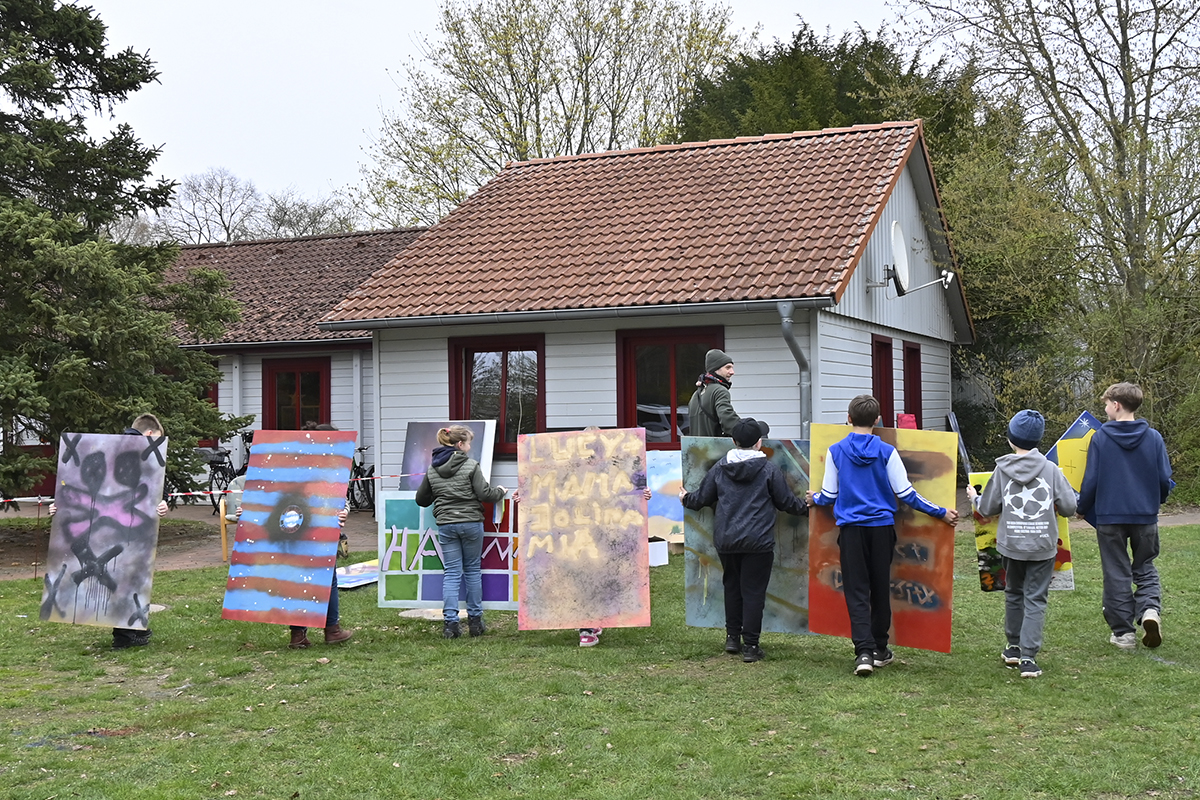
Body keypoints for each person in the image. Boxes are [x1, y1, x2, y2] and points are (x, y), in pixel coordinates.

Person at [806, 395, 960, 677]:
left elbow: (829, 495)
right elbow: (905, 494)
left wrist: (814, 498)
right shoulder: (888, 452)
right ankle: (880, 649)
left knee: (856, 591)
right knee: (880, 587)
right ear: (877, 421)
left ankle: (862, 652)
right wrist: (940, 512)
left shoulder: (835, 451)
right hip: (881, 530)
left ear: (848, 418)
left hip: (851, 531)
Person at [680, 418, 806, 662]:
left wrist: (685, 498)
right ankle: (751, 646)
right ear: (759, 443)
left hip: (727, 541)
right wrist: (810, 506)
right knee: (753, 592)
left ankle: (732, 638)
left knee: (732, 588)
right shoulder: (769, 470)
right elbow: (787, 503)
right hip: (758, 543)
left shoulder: (719, 467)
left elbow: (701, 498)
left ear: (733, 441)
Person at [966, 410, 1077, 678]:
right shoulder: (1050, 470)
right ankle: (1029, 658)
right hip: (1043, 547)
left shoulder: (1001, 470)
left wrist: (974, 498)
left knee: (1014, 593)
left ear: (1010, 439)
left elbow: (989, 507)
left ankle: (1013, 647)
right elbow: (1070, 507)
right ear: (1039, 439)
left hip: (1010, 546)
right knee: (1036, 598)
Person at [49, 413, 170, 649]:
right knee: (127, 573)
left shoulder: (102, 446)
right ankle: (126, 635)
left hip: (103, 524)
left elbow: (73, 480)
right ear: (149, 434)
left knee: (117, 573)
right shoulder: (136, 451)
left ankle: (127, 631)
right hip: (125, 524)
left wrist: (160, 502)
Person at [1077, 382, 1174, 651]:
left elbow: (1091, 480)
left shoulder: (1100, 438)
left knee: (1116, 572)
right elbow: (1164, 478)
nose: (1105, 408)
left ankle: (1123, 634)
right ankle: (1150, 610)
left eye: (1106, 403)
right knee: (1145, 566)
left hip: (1109, 517)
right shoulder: (1154, 438)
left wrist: (1082, 506)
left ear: (1116, 405)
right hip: (1145, 515)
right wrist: (1158, 500)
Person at [415, 424, 507, 639]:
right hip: (471, 523)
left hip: (447, 525)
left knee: (452, 573)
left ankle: (450, 624)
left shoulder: (432, 469)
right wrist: (500, 491)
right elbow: (485, 494)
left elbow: (421, 499)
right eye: (468, 443)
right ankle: (475, 622)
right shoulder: (471, 465)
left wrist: (439, 493)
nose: (469, 447)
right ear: (459, 445)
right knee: (473, 571)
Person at [687, 349, 743, 437]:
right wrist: (747, 432)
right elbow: (728, 421)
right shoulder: (720, 391)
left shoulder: (695, 395)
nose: (732, 372)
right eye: (728, 367)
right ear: (715, 369)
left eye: (732, 368)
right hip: (714, 449)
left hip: (696, 449)